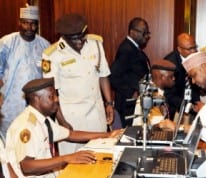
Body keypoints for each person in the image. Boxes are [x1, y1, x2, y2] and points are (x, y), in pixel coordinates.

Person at [5, 78, 122, 178]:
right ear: (37, 99)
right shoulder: (27, 126)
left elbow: (70, 134)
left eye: (56, 95)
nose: (57, 100)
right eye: (51, 96)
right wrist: (67, 158)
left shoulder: (43, 119)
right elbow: (27, 167)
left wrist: (108, 135)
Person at [42, 13, 114, 155]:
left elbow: (103, 75)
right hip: (72, 119)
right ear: (64, 36)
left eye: (82, 36)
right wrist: (62, 123)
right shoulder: (52, 55)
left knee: (100, 156)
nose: (80, 41)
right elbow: (52, 93)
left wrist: (109, 103)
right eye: (74, 39)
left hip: (97, 115)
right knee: (72, 161)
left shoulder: (96, 45)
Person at [0, 5, 50, 138]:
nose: (29, 27)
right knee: (10, 141)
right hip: (10, 104)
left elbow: (49, 76)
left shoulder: (45, 46)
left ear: (37, 25)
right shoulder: (7, 43)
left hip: (37, 105)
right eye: (25, 23)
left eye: (33, 24)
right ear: (19, 23)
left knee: (35, 139)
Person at [110, 17, 151, 128]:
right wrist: (130, 92)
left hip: (134, 102)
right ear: (132, 32)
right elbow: (113, 76)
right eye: (144, 33)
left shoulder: (134, 48)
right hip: (127, 104)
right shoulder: (126, 49)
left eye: (147, 33)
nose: (147, 36)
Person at [164, 33, 204, 120]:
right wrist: (189, 107)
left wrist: (196, 103)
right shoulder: (169, 64)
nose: (194, 51)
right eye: (190, 49)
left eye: (195, 47)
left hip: (194, 107)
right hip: (176, 110)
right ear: (179, 49)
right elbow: (169, 95)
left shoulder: (197, 58)